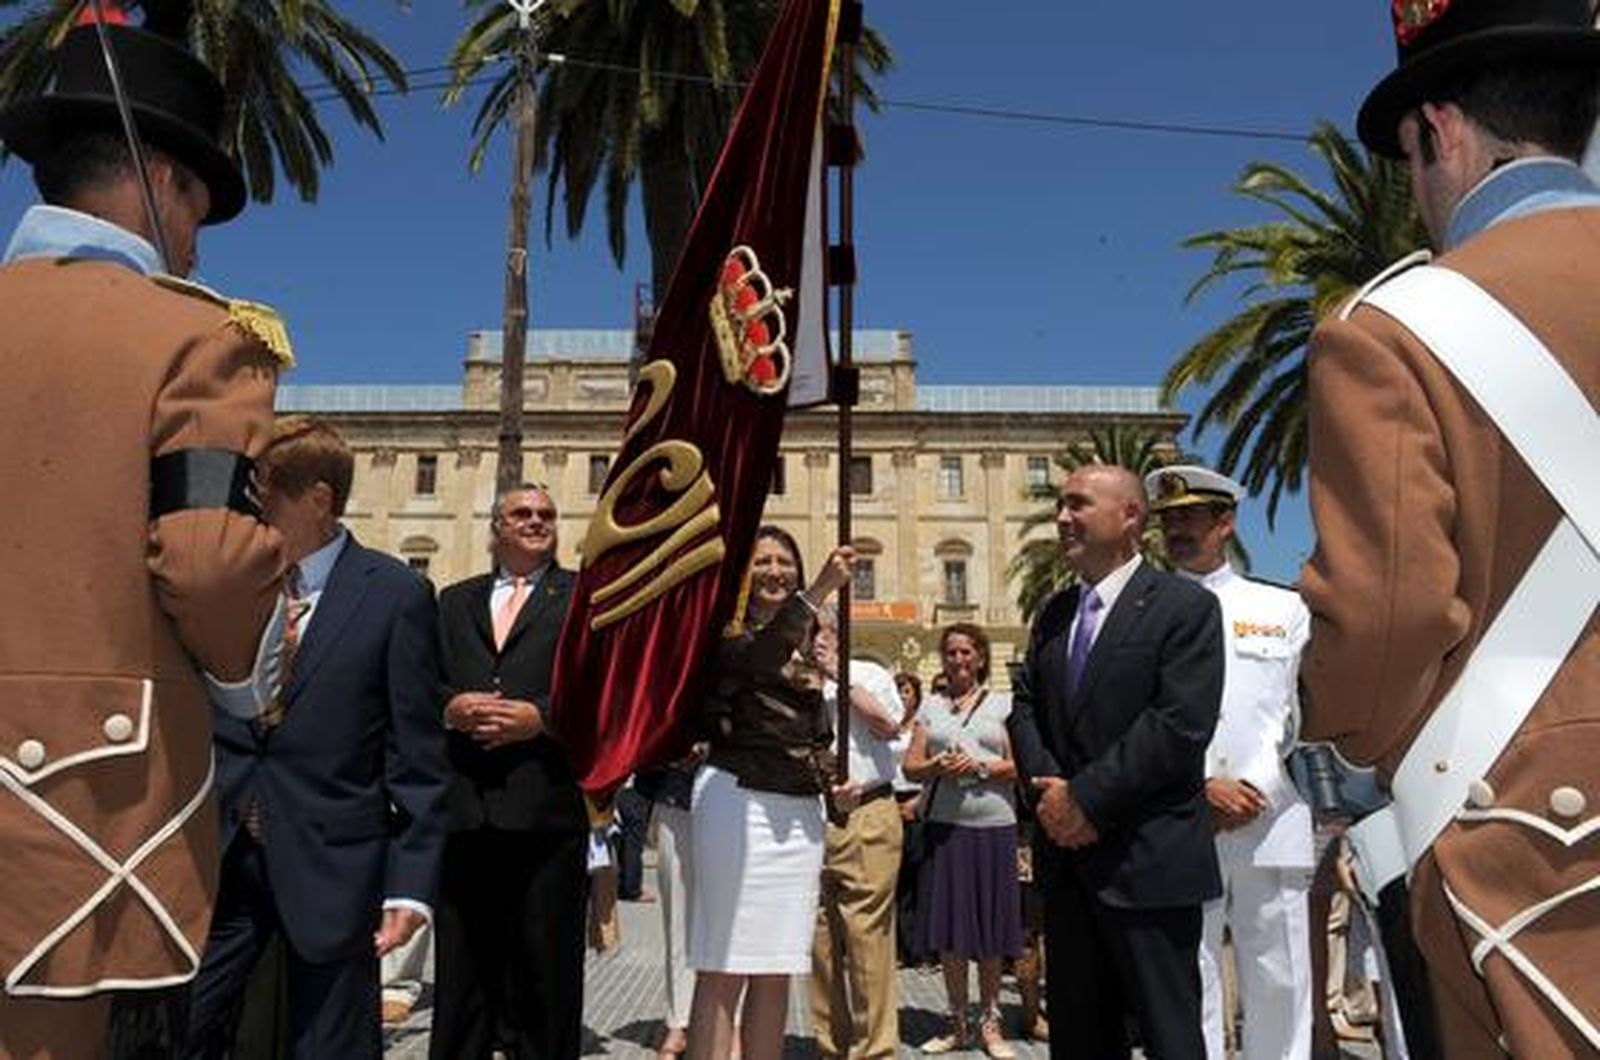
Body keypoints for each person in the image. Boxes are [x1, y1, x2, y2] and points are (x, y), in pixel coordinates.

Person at [1300, 3, 1600, 1055]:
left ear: (1440, 132)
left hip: (1534, 853)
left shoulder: (1393, 331)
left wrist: (1341, 746)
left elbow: (1389, 615)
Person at [0, 21, 291, 1058]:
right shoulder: (196, 336)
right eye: (197, 212)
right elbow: (209, 560)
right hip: (81, 812)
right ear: (161, 180)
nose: (197, 246)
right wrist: (253, 677)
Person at [184, 418, 450, 1058]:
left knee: (330, 1045)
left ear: (318, 499)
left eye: (263, 493)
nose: (249, 511)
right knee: (185, 1028)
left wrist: (410, 885)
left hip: (334, 866)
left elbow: (417, 756)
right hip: (221, 857)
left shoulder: (396, 595)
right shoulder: (227, 586)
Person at [1007, 464, 1224, 1060]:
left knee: (1170, 1039)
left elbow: (1179, 724)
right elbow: (1025, 705)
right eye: (1060, 504)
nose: (1061, 517)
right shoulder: (1055, 613)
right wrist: (1051, 795)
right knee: (1080, 1040)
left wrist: (1085, 799)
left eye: (1078, 504)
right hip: (1069, 868)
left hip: (1147, 865)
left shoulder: (1185, 607)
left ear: (1130, 515)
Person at [1147, 465, 1315, 1060]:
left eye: (1190, 517)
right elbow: (1137, 716)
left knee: (1281, 975)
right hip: (1179, 815)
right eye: (1169, 520)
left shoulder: (1282, 608)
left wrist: (1252, 784)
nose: (1177, 530)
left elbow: (1298, 714)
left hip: (1269, 814)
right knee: (1189, 976)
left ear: (1226, 523)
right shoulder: (1143, 609)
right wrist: (1199, 786)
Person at [430, 484, 589, 1060]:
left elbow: (604, 690)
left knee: (546, 974)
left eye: (546, 514)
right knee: (462, 972)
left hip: (545, 810)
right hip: (466, 810)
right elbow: (423, 680)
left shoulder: (583, 598)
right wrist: (450, 707)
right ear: (497, 526)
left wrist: (540, 719)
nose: (536, 521)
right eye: (522, 513)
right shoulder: (454, 600)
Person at [686, 527, 855, 1060]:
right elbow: (760, 661)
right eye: (761, 562)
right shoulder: (722, 631)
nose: (775, 571)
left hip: (798, 815)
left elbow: (813, 732)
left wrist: (834, 784)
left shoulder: (811, 645)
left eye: (785, 561)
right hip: (738, 800)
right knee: (723, 963)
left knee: (776, 966)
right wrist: (819, 591)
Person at [901, 623, 1023, 1059]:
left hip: (994, 827)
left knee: (990, 929)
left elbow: (1020, 766)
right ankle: (957, 1023)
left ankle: (990, 1022)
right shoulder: (930, 707)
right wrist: (936, 766)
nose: (958, 660)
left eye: (966, 652)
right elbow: (910, 766)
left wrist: (980, 768)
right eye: (951, 652)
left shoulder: (1004, 704)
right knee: (951, 931)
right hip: (945, 828)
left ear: (981, 657)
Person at [809, 612, 906, 1060]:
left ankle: (875, 1050)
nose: (811, 640)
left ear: (836, 632)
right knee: (819, 942)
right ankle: (832, 1046)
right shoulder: (794, 682)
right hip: (811, 817)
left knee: (867, 938)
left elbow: (887, 725)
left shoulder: (868, 673)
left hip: (866, 812)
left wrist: (836, 674)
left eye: (818, 631)